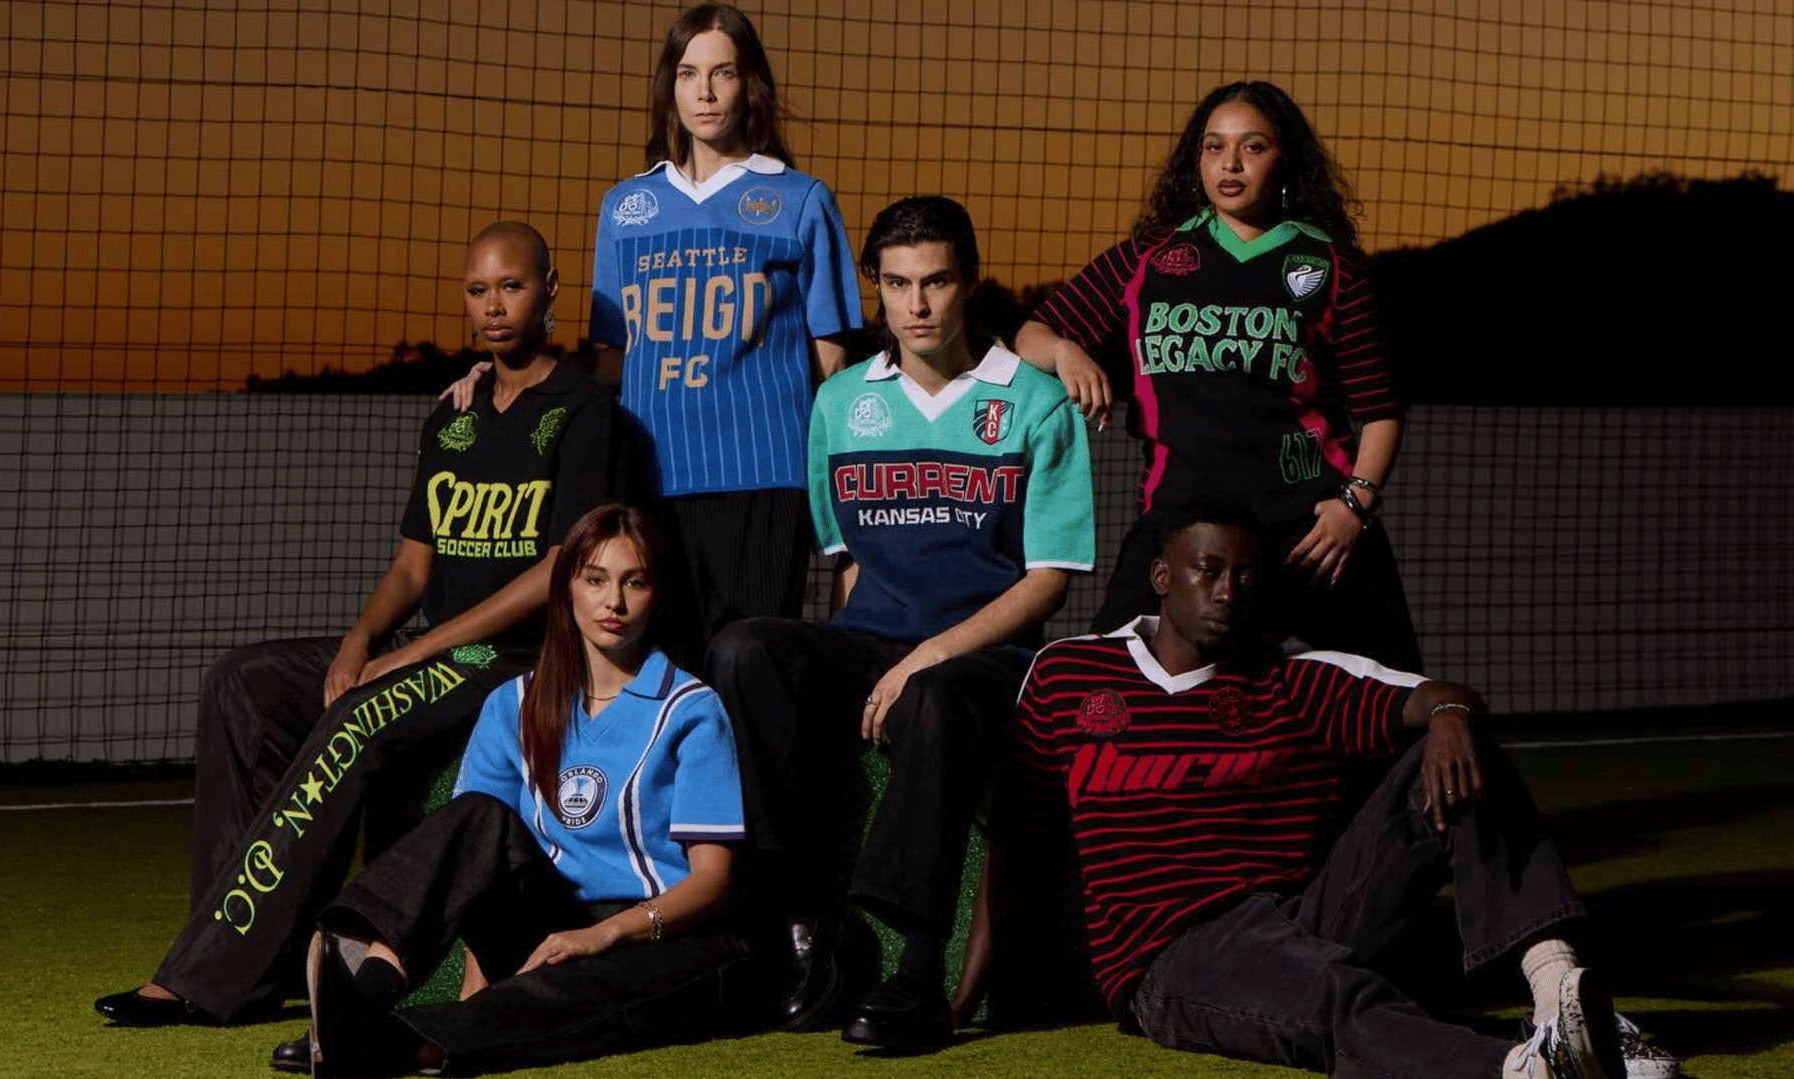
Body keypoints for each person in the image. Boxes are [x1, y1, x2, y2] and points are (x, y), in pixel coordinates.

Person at [93, 222, 634, 1027]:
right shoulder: (455, 413)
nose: (492, 306)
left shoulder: (585, 412)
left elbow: (560, 567)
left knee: (357, 716)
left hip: (510, 657)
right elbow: (414, 565)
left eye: (512, 287)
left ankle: (205, 977)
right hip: (433, 645)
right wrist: (359, 640)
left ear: (550, 290)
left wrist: (411, 651)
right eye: (477, 289)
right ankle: (253, 957)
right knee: (242, 682)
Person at [979, 498, 1677, 1079]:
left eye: (1246, 577)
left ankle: (1558, 995)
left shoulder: (1293, 676)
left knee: (1459, 745)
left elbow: (1439, 695)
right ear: (1163, 575)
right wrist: (970, 989)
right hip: (1173, 951)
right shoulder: (1068, 674)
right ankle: (1525, 1069)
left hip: (1308, 914)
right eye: (1208, 571)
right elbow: (1018, 838)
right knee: (1335, 993)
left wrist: (1449, 714)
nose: (1228, 592)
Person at [706, 196, 1096, 1052]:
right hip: (876, 636)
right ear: (876, 290)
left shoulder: (1034, 402)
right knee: (745, 650)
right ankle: (806, 915)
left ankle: (918, 973)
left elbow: (1050, 581)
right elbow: (848, 566)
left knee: (938, 695)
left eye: (936, 281)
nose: (916, 304)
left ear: (970, 284)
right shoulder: (842, 402)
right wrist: (850, 674)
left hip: (986, 653)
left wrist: (929, 654)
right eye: (896, 284)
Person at [271, 503, 753, 1077]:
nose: (614, 603)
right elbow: (476, 859)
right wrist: (481, 978)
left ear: (657, 594)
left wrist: (603, 935)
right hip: (550, 920)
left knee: (571, 989)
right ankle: (363, 989)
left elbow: (712, 883)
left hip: (659, 935)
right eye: (595, 580)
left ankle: (391, 1044)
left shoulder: (692, 710)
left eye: (635, 583)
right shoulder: (514, 703)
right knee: (477, 813)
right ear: (566, 588)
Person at [447, 3, 864, 639]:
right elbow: (610, 364)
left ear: (749, 83)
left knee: (750, 663)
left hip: (766, 475)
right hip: (650, 475)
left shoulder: (800, 199)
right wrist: (505, 377)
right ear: (670, 86)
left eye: (722, 72)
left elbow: (830, 363)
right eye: (689, 73)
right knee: (664, 666)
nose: (705, 91)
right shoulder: (627, 208)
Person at [1016, 80, 1419, 668]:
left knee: (1400, 704)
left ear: (1286, 160)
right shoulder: (1149, 257)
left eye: (1253, 147)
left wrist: (1353, 507)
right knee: (1103, 689)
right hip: (1180, 530)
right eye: (1213, 147)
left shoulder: (1330, 266)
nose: (1229, 164)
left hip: (1308, 533)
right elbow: (1031, 335)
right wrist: (1067, 352)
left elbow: (1380, 408)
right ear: (1195, 158)